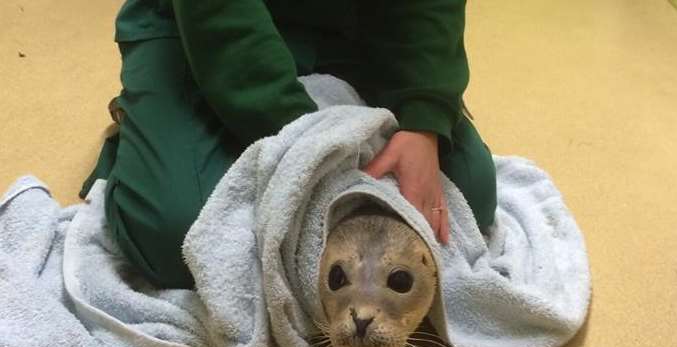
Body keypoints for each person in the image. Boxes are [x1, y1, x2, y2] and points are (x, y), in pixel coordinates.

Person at [80, 0, 497, 289]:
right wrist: (308, 148)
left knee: (468, 202)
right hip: (197, 26)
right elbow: (219, 17)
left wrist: (425, 117)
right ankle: (140, 126)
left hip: (361, 26)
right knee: (176, 238)